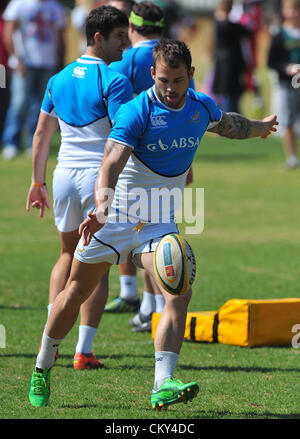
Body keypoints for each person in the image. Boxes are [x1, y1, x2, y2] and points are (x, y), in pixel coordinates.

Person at [28, 39, 278, 410]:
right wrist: (100, 208)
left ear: (190, 76)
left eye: (178, 80)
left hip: (158, 221)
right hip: (114, 219)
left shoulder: (199, 106)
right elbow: (110, 163)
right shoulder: (136, 110)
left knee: (179, 289)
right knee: (75, 292)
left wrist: (260, 127)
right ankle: (42, 365)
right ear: (152, 75)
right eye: (164, 80)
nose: (171, 88)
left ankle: (163, 382)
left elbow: (230, 125)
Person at [26, 6, 132, 370]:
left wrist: (36, 182)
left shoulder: (57, 79)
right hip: (96, 177)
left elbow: (41, 134)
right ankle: (83, 350)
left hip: (63, 175)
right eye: (120, 37)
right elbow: (123, 135)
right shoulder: (114, 80)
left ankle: (49, 341)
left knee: (66, 254)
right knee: (97, 265)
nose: (126, 44)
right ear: (98, 38)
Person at [106, 1, 194, 326]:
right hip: (172, 162)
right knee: (156, 234)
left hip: (131, 163)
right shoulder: (177, 59)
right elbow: (189, 115)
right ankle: (151, 307)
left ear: (131, 27)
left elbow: (110, 107)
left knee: (140, 234)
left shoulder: (126, 59)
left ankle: (147, 305)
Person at [1, 0, 66, 160]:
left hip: (47, 63)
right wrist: (16, 58)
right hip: (25, 63)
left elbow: (60, 37)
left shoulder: (55, 7)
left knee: (40, 106)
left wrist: (60, 61)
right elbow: (8, 32)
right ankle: (11, 143)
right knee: (19, 103)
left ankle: (33, 143)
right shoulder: (18, 4)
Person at [268, 0, 300, 169]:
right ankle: (292, 157)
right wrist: (286, 68)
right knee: (288, 121)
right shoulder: (279, 34)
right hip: (287, 84)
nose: (293, 13)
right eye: (290, 9)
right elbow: (271, 62)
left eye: (296, 9)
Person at [212, 0, 251, 113]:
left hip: (224, 61)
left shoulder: (218, 23)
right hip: (231, 63)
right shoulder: (228, 25)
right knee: (230, 95)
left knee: (229, 94)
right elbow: (247, 31)